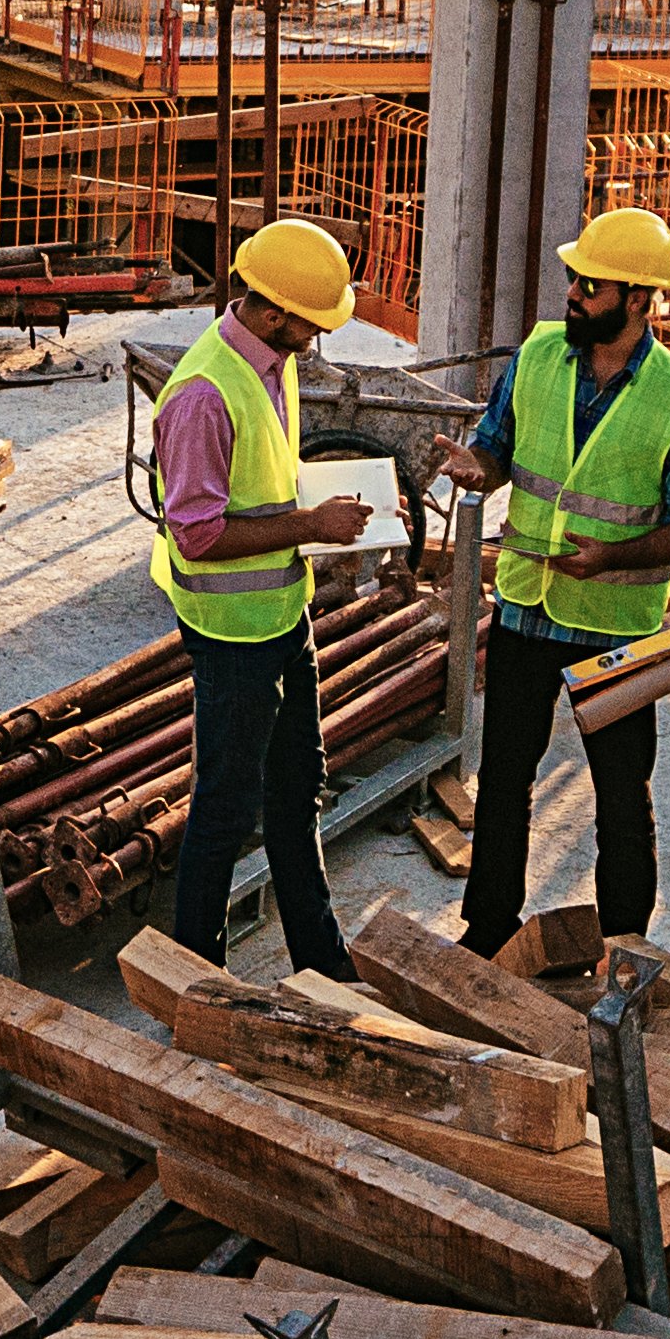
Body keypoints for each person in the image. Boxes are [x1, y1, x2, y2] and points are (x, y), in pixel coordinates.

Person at [447, 205, 670, 952]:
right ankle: (488, 929)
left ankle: (625, 945)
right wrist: (479, 468)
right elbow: (496, 444)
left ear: (638, 299)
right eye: (573, 277)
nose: (571, 292)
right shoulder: (537, 356)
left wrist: (611, 556)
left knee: (623, 799)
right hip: (528, 612)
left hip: (614, 626)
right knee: (503, 784)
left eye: (590, 284)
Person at [143, 213, 389, 974]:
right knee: (224, 808)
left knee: (295, 787)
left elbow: (264, 486)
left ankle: (321, 960)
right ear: (273, 310)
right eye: (311, 323)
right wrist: (311, 523)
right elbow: (198, 534)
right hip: (230, 630)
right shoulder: (203, 397)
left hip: (282, 612)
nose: (317, 339)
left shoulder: (267, 359)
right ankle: (195, 978)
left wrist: (337, 509)